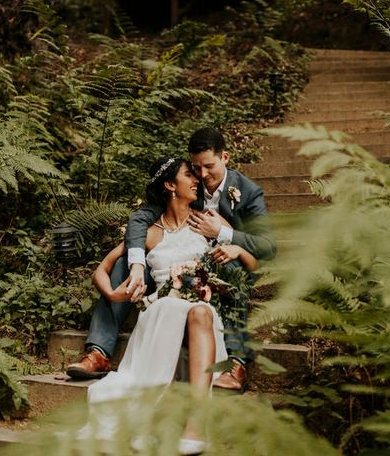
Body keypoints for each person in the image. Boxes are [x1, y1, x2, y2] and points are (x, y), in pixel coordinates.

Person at [67, 127, 275, 391]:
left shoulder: (248, 192)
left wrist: (225, 236)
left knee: (229, 265)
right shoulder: (187, 186)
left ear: (225, 157)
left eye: (208, 167)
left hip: (220, 261)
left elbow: (267, 247)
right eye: (195, 169)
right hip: (167, 274)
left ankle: (236, 360)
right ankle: (98, 352)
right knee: (124, 264)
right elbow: (141, 218)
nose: (201, 176)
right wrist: (137, 263)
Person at [81, 156, 258, 455]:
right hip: (161, 309)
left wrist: (236, 247)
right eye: (189, 174)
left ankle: (196, 424)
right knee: (179, 309)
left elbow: (251, 265)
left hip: (200, 309)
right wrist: (113, 295)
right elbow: (101, 269)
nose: (196, 180)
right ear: (169, 185)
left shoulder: (208, 222)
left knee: (202, 311)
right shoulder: (149, 233)